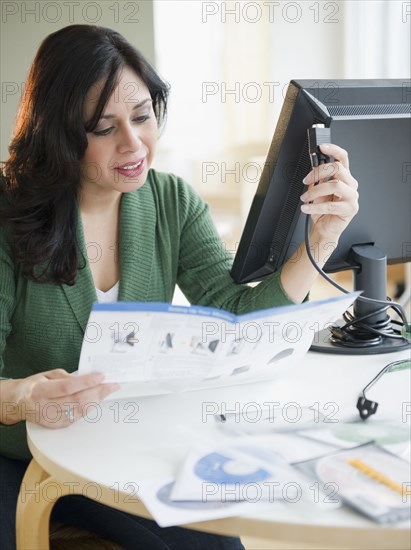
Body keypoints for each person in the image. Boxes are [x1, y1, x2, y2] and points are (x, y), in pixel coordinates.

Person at [0, 24, 359, 550]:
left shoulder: (170, 201)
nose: (134, 143)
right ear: (59, 132)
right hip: (20, 452)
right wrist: (22, 398)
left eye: (143, 116)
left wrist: (320, 241)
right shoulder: (10, 217)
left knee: (219, 545)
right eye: (104, 128)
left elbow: (238, 317)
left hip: (124, 445)